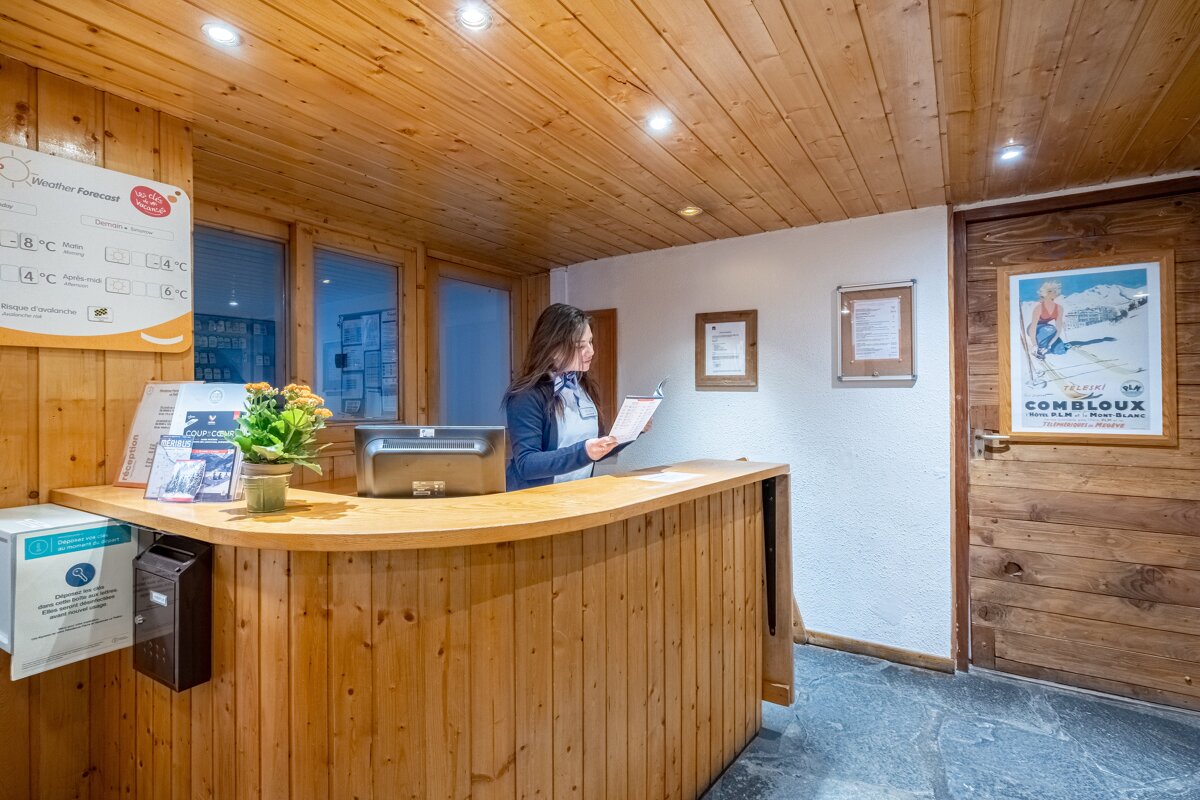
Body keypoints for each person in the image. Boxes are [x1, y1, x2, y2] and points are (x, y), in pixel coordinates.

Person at [503, 303, 647, 491]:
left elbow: (592, 450)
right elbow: (527, 464)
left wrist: (632, 431)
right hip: (532, 502)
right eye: (580, 346)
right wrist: (584, 451)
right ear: (553, 349)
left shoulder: (583, 387)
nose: (591, 352)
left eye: (590, 342)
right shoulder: (526, 395)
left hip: (574, 496)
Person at [1027, 280, 1067, 358]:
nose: (1052, 292)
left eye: (1054, 290)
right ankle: (1039, 347)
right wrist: (1034, 345)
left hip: (1047, 329)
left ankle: (1045, 345)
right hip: (1034, 328)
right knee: (1050, 329)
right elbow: (1033, 328)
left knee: (1060, 350)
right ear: (1044, 293)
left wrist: (1049, 345)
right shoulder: (1038, 308)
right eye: (1049, 291)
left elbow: (1058, 330)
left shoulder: (1059, 308)